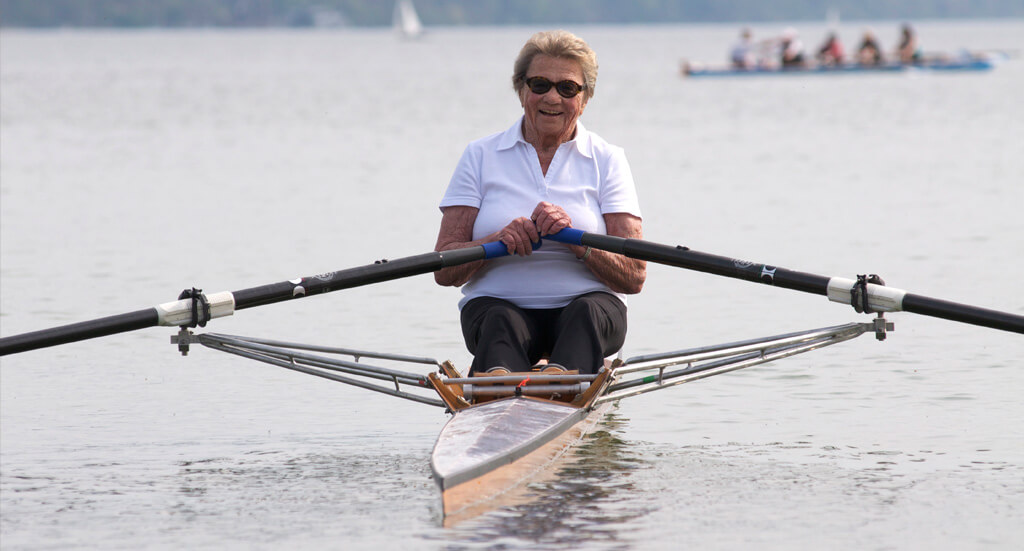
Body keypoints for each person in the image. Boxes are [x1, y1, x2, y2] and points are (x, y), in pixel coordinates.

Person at [434, 30, 646, 376]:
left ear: (585, 98)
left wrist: (576, 240)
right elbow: (444, 270)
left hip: (591, 312)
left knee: (585, 314)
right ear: (521, 91)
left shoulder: (607, 159)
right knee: (499, 320)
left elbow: (634, 276)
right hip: (497, 311)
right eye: (540, 85)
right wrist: (496, 241)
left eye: (567, 88)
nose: (553, 97)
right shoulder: (480, 155)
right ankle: (503, 384)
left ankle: (555, 383)